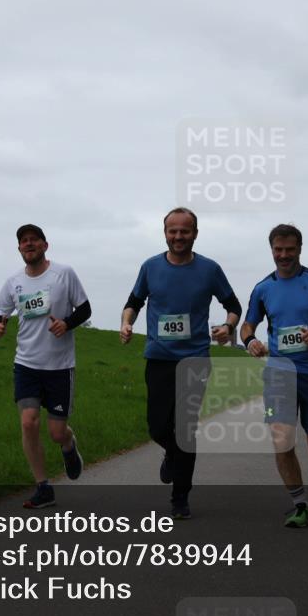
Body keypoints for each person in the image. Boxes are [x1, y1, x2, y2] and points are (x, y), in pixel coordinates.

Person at [120, 207, 241, 519]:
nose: (178, 237)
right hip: (159, 358)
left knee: (185, 429)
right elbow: (134, 301)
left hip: (195, 360)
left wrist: (227, 327)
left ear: (195, 234)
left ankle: (180, 497)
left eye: (184, 231)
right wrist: (126, 323)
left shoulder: (210, 269)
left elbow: (233, 305)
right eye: (173, 231)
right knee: (158, 427)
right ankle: (171, 455)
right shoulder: (150, 267)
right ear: (165, 234)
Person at [240, 223, 308, 528]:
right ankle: (300, 505)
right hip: (279, 373)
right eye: (278, 250)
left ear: (300, 249)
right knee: (282, 440)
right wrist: (251, 341)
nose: (284, 255)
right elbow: (247, 326)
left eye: (290, 250)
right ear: (271, 250)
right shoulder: (263, 288)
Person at [0, 224, 91, 509]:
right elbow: (1, 312)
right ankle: (43, 487)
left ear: (45, 245)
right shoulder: (13, 282)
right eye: (24, 241)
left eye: (34, 240)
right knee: (28, 421)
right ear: (19, 249)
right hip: (26, 363)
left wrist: (66, 323)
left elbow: (85, 309)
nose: (29, 244)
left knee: (57, 433)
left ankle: (69, 447)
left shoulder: (64, 274)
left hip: (59, 366)